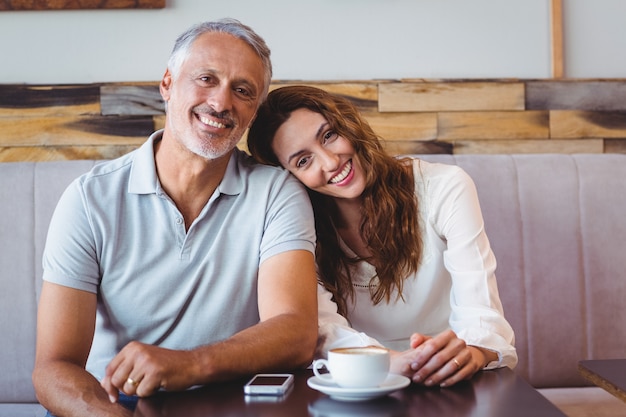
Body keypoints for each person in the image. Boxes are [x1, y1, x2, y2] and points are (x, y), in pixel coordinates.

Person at [32, 19, 319, 417]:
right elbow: (54, 366)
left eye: (242, 91)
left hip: (229, 402)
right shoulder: (88, 199)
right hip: (110, 406)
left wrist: (189, 364)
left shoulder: (277, 192)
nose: (221, 103)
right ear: (167, 83)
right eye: (206, 78)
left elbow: (296, 332)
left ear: (253, 111)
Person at [247, 85, 518, 388]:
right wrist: (391, 362)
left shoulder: (445, 187)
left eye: (328, 136)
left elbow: (480, 312)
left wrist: (471, 354)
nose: (331, 162)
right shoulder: (296, 225)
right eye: (303, 161)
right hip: (360, 384)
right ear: (288, 177)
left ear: (348, 124)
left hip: (449, 377)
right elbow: (322, 329)